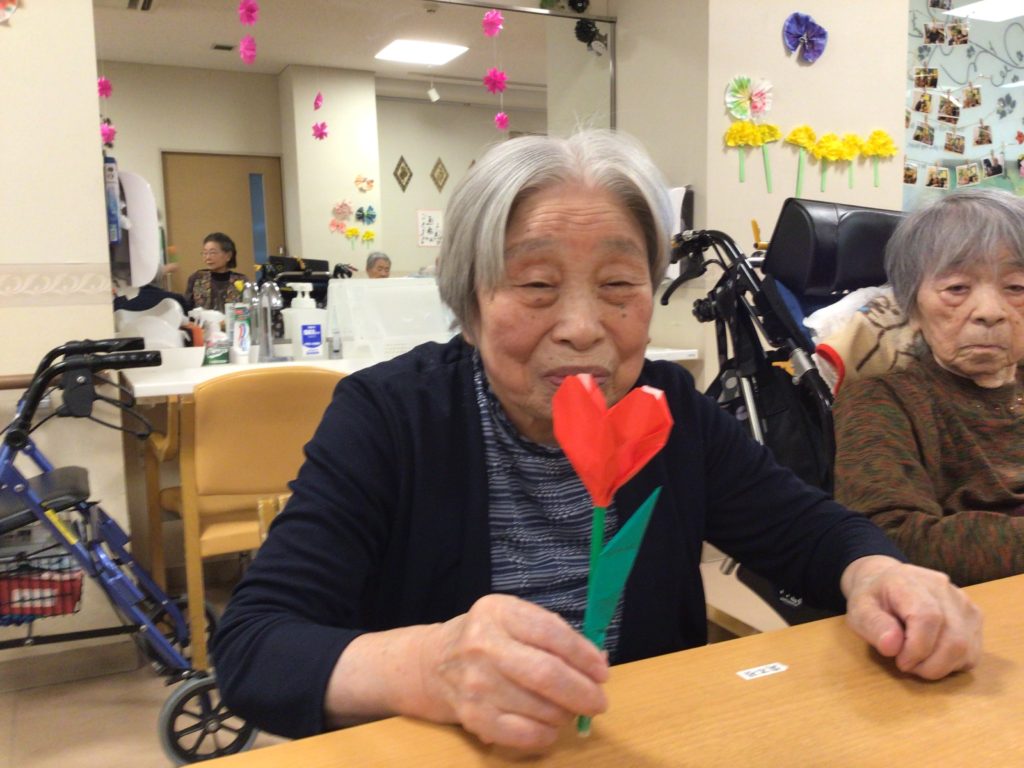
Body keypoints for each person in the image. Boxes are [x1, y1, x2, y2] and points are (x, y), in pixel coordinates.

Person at [214, 130, 982, 752]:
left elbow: (810, 532)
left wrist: (880, 575)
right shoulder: (391, 416)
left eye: (618, 286)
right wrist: (426, 665)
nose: (582, 328)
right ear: (470, 302)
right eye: (536, 286)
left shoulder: (666, 409)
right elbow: (256, 645)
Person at [834, 188, 1024, 587]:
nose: (990, 312)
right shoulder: (882, 401)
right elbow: (889, 539)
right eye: (957, 289)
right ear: (913, 307)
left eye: (1016, 288)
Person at [185, 232, 247, 312]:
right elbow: (186, 309)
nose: (208, 257)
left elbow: (247, 310)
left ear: (228, 256)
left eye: (212, 253)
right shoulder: (197, 278)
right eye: (205, 253)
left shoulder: (241, 281)